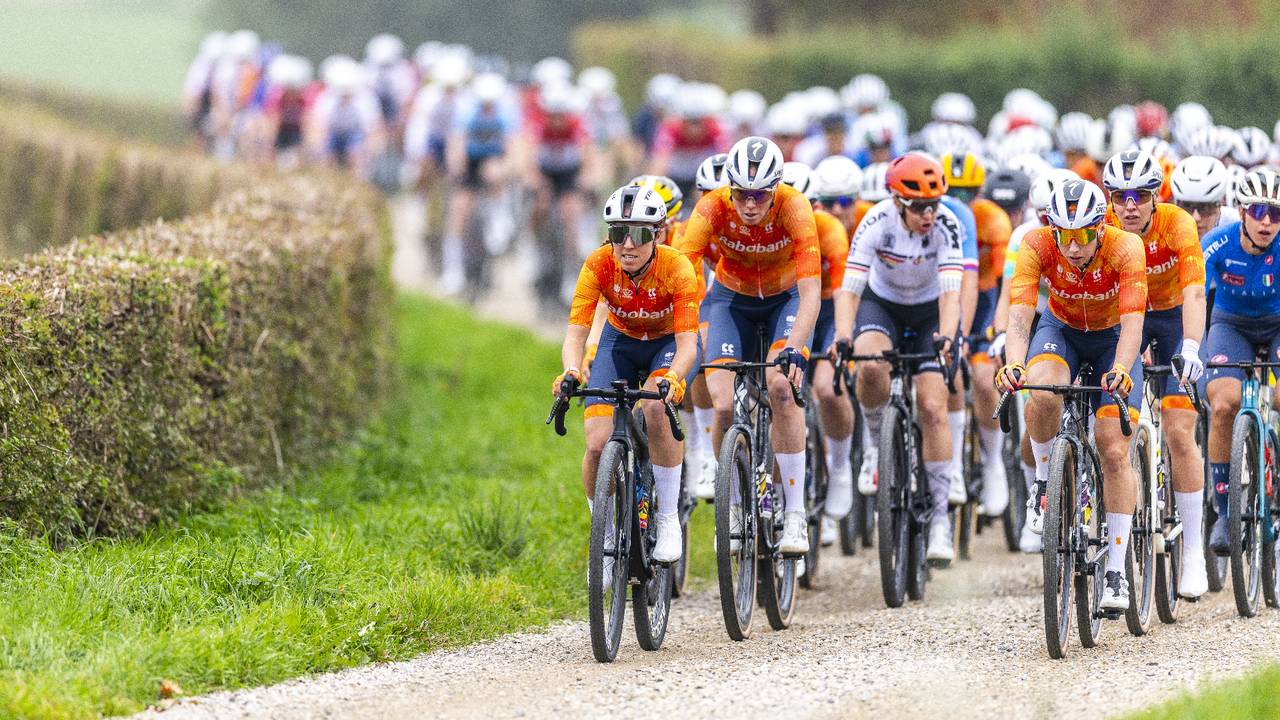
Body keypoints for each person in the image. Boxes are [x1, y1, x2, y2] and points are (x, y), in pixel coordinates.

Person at [997, 180, 1147, 610]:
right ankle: (1044, 483)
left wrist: (1120, 368)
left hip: (1112, 337)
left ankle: (1116, 570)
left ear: (1101, 227)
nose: (1073, 246)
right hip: (1060, 329)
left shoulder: (1125, 248)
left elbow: (1134, 323)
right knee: (1040, 391)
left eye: (1082, 235)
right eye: (1064, 235)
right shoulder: (1036, 243)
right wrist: (1013, 363)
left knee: (1113, 450)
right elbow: (1021, 314)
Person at [678, 136, 821, 554]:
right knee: (721, 400)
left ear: (775, 188)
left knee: (780, 387)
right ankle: (735, 503)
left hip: (786, 297)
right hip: (731, 297)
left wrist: (795, 346)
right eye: (741, 194)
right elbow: (686, 276)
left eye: (760, 195)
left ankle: (794, 514)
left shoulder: (795, 206)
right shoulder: (712, 206)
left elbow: (812, 292)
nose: (750, 204)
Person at [833, 153, 970, 564]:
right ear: (897, 202)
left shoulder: (947, 225)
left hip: (931, 308)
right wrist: (843, 335)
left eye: (934, 205)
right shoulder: (875, 222)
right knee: (870, 365)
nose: (928, 215)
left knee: (932, 405)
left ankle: (942, 519)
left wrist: (947, 336)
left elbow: (951, 294)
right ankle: (876, 444)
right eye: (918, 207)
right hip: (884, 304)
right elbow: (850, 290)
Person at [554, 184, 700, 563]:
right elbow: (576, 332)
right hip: (621, 343)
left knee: (654, 409)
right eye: (619, 234)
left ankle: (667, 517)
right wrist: (571, 370)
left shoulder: (677, 267)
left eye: (638, 234)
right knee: (597, 443)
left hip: (667, 343)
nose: (628, 245)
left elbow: (688, 344)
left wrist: (673, 378)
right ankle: (602, 535)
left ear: (656, 235)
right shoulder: (598, 264)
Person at [1102, 148, 1209, 598]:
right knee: (1114, 432)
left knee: (1181, 431)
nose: (1130, 205)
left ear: (1155, 197)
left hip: (1168, 318)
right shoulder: (1099, 227)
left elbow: (1194, 292)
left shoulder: (1178, 224)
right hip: (1122, 319)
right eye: (1121, 196)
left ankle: (1194, 552)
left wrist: (1188, 349)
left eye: (1140, 196)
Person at [1201, 170, 1280, 558]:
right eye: (1259, 211)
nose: (1267, 221)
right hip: (1230, 326)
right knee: (1223, 404)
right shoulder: (1216, 243)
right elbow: (1194, 295)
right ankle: (1225, 510)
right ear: (1242, 211)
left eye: (1276, 214)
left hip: (1278, 325)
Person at [782, 162, 855, 532]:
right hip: (785, 308)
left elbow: (843, 291)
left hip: (826, 309)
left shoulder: (829, 231)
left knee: (827, 388)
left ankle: (839, 466)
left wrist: (842, 336)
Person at [942, 152, 1014, 518]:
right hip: (947, 295)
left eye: (968, 192)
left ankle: (992, 461)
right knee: (944, 375)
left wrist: (1002, 330)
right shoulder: (933, 218)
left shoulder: (994, 221)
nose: (960, 200)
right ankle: (949, 462)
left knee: (986, 381)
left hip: (984, 300)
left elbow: (1004, 284)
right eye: (952, 190)